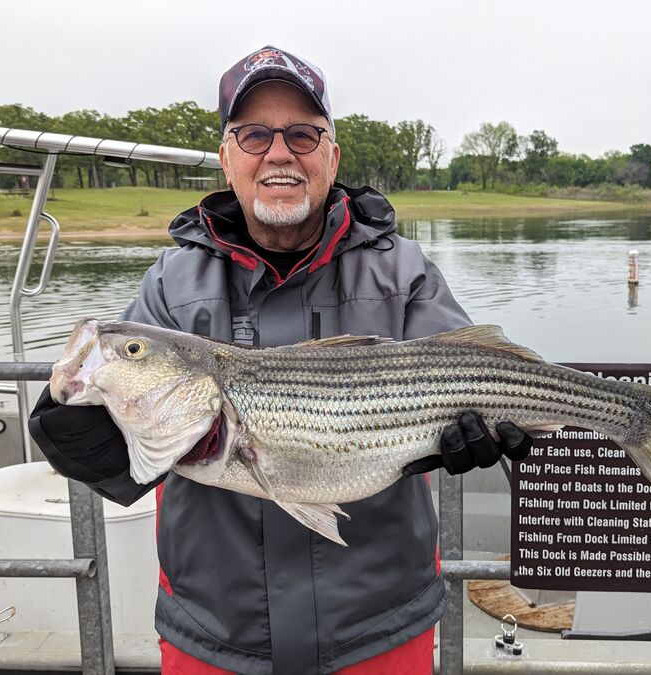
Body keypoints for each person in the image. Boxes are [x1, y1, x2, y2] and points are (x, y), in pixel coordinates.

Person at [28, 46, 531, 674]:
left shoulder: (402, 271)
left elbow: (474, 371)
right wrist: (68, 423)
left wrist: (479, 431)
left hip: (377, 624)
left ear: (331, 156)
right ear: (227, 158)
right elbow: (128, 463)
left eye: (301, 134)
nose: (279, 152)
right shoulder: (170, 284)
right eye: (255, 135)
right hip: (216, 628)